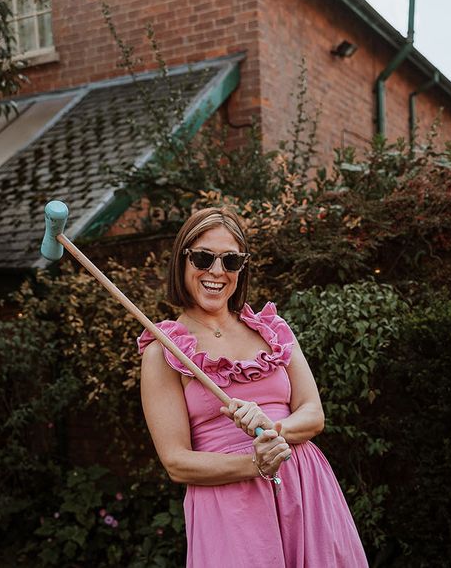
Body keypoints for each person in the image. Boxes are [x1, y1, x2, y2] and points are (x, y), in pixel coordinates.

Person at [138, 206, 368, 567]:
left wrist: (272, 431)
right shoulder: (163, 352)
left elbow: (313, 414)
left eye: (230, 261)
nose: (217, 271)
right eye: (203, 257)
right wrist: (255, 463)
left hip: (303, 486)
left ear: (241, 268)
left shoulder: (272, 331)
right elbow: (177, 463)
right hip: (230, 504)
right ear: (182, 260)